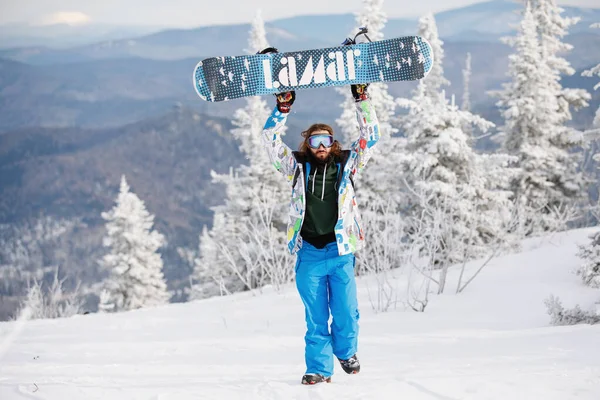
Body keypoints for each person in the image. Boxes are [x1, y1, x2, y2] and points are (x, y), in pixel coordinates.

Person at [260, 83, 380, 385]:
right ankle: (319, 368)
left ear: (333, 142)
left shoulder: (347, 164)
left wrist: (361, 99)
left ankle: (347, 352)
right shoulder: (297, 167)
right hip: (310, 253)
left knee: (346, 312)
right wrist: (282, 108)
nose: (322, 146)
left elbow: (371, 137)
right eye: (315, 141)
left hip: (340, 252)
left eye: (326, 139)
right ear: (308, 145)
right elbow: (270, 141)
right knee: (316, 318)